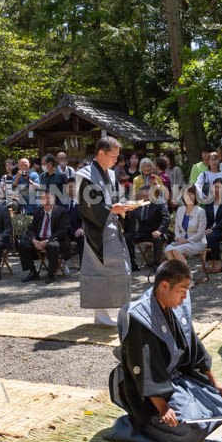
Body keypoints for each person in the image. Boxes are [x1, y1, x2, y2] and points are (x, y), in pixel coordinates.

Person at [108, 259, 222, 442]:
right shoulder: (139, 316)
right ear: (164, 286)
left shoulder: (174, 305)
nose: (184, 297)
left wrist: (213, 382)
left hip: (175, 379)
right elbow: (145, 369)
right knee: (191, 429)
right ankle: (136, 424)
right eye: (182, 291)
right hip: (146, 390)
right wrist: (163, 408)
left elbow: (194, 344)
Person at [77, 136, 137, 325]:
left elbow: (117, 197)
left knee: (122, 269)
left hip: (113, 226)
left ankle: (121, 311)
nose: (116, 160)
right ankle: (101, 313)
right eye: (113, 156)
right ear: (101, 153)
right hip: (98, 228)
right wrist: (113, 209)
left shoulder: (111, 174)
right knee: (101, 270)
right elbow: (89, 206)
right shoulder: (86, 175)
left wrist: (126, 204)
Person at [18, 188, 70, 284]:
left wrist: (47, 241)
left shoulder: (62, 212)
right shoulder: (38, 212)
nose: (46, 201)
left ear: (53, 198)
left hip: (55, 240)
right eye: (43, 198)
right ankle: (33, 272)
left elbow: (63, 230)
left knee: (52, 246)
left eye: (48, 198)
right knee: (22, 245)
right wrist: (34, 240)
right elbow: (31, 229)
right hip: (39, 240)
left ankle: (51, 274)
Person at [124, 184, 169, 270]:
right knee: (127, 237)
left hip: (156, 231)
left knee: (157, 238)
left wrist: (160, 231)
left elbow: (166, 218)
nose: (145, 198)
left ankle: (156, 264)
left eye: (147, 196)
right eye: (142, 196)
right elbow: (131, 221)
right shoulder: (138, 205)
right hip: (142, 232)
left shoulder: (159, 203)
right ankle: (132, 263)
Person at [163, 185, 207, 266]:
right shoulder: (180, 210)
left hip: (197, 242)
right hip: (182, 242)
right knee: (168, 249)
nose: (188, 196)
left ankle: (186, 273)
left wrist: (186, 241)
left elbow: (200, 233)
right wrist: (179, 238)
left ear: (195, 196)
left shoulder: (200, 211)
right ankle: (176, 272)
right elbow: (176, 229)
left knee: (177, 250)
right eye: (186, 194)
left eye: (191, 194)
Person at [203, 179, 222, 273]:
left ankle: (217, 262)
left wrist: (212, 229)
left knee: (211, 236)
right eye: (215, 187)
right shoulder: (208, 203)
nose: (216, 189)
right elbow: (206, 219)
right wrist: (206, 229)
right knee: (208, 235)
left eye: (219, 187)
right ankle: (211, 262)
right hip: (211, 230)